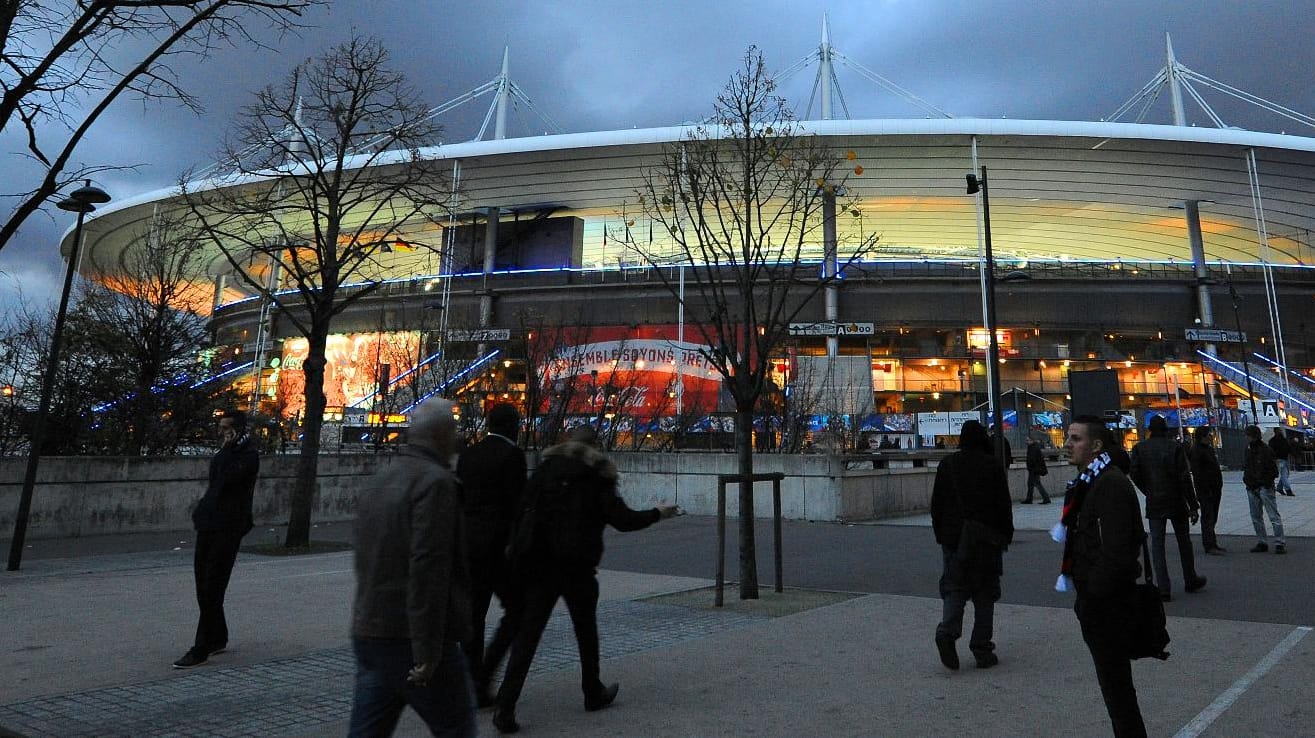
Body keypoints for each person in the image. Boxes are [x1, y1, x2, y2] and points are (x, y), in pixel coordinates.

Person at [492, 425, 678, 734]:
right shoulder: (597, 475)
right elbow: (622, 520)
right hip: (578, 566)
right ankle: (592, 691)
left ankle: (506, 705)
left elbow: (522, 511)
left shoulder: (546, 469)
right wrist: (658, 513)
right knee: (586, 632)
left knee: (527, 635)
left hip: (541, 565)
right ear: (596, 446)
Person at [348, 397, 477, 738]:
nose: (458, 438)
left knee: (367, 730)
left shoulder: (381, 480)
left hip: (371, 628)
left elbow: (364, 555)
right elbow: (428, 568)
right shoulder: (436, 483)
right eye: (454, 430)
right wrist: (428, 650)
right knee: (456, 728)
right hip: (410, 635)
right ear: (442, 435)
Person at [1061, 417, 1148, 738]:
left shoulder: (1108, 484)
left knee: (1117, 687)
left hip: (1107, 603)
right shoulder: (1089, 482)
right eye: (1068, 437)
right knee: (1114, 686)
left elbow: (1118, 550)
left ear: (1096, 446)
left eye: (1076, 438)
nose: (1067, 444)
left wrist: (1092, 597)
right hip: (1099, 600)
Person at [173, 408, 259, 669]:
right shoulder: (226, 452)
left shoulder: (248, 455)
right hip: (209, 524)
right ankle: (218, 636)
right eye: (220, 428)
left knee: (213, 586)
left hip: (228, 527)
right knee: (204, 585)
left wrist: (229, 450)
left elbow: (227, 481)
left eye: (225, 428)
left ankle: (201, 647)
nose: (221, 433)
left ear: (238, 430)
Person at [456, 403, 528, 707]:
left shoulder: (469, 455)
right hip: (498, 547)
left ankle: (472, 679)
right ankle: (484, 676)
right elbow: (518, 507)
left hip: (469, 545)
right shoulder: (513, 457)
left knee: (473, 616)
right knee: (517, 612)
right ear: (513, 427)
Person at [930, 420, 1014, 670]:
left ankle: (948, 631)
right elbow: (1003, 504)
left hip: (954, 539)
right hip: (986, 538)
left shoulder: (948, 465)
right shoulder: (992, 465)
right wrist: (1005, 535)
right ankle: (981, 648)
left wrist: (942, 534)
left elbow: (937, 504)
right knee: (985, 592)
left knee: (955, 587)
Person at [1129, 415, 1205, 601]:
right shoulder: (1175, 448)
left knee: (1158, 545)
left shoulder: (1140, 448)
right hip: (1176, 499)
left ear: (1149, 430)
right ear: (1165, 429)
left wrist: (1148, 490)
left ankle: (1163, 587)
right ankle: (1190, 578)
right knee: (1184, 542)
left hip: (1155, 501)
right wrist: (1193, 505)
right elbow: (1185, 478)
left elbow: (1135, 473)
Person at [1244, 424, 1286, 554]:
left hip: (1261, 486)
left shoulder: (1263, 450)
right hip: (1256, 485)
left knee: (1266, 515)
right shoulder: (1253, 449)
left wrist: (1260, 482)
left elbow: (1272, 470)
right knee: (1263, 515)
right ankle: (1273, 542)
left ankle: (1270, 541)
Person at [1187, 427, 1226, 555]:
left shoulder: (1208, 449)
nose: (1211, 436)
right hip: (1206, 489)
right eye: (1209, 434)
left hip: (1214, 488)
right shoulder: (1197, 450)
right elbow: (1198, 473)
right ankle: (1209, 544)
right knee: (1208, 517)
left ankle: (1212, 542)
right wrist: (1204, 489)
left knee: (1212, 516)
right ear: (1203, 436)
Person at [1023, 435, 1052, 504]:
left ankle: (1046, 498)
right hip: (1033, 469)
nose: (1026, 442)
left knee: (1037, 484)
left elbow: (1032, 459)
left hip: (1035, 469)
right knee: (1030, 484)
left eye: (1028, 440)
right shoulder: (1032, 447)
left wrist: (1031, 466)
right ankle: (1029, 499)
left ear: (1032, 441)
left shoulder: (1034, 448)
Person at [1269, 428, 1295, 496]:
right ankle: (1288, 489)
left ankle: (1279, 487)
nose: (1280, 431)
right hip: (1281, 458)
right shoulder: (1283, 440)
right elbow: (1288, 448)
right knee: (1284, 474)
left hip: (1280, 459)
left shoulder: (1273, 440)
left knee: (1285, 474)